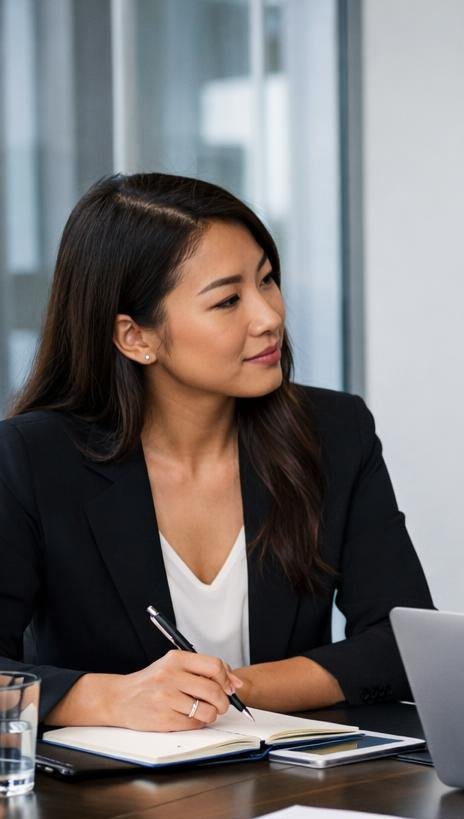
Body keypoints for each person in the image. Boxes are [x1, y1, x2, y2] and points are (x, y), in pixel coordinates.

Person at [0, 173, 434, 731]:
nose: (269, 316)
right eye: (228, 300)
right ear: (136, 337)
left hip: (290, 789)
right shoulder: (33, 458)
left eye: (267, 280)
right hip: (104, 805)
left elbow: (403, 642)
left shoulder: (333, 432)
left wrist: (230, 689)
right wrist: (111, 699)